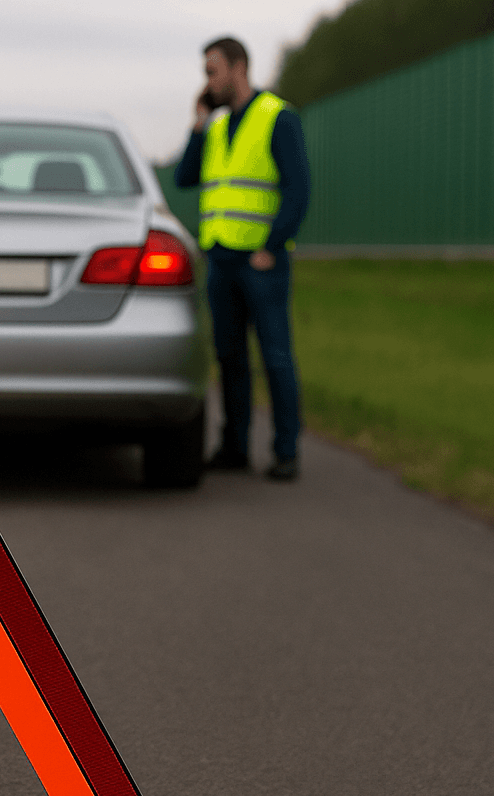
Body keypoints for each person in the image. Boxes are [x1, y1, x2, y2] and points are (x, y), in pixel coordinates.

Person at [174, 37, 311, 480]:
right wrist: (198, 122)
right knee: (230, 358)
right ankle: (235, 447)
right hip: (221, 261)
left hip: (260, 262)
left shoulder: (277, 117)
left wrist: (271, 247)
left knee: (275, 356)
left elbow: (298, 189)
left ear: (238, 67)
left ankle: (286, 452)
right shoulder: (215, 128)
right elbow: (184, 177)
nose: (207, 81)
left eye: (212, 71)